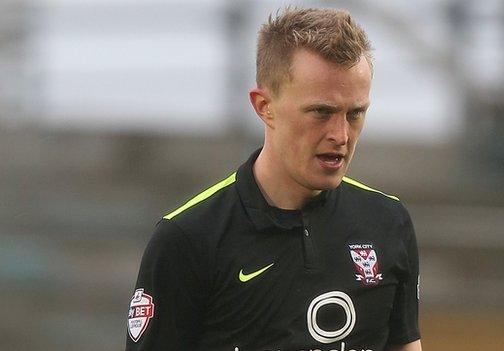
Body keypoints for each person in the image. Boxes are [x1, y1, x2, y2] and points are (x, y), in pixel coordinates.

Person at [126, 7, 422, 351]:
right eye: (321, 112)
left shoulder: (387, 221)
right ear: (265, 106)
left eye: (355, 113)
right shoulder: (189, 238)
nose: (341, 134)